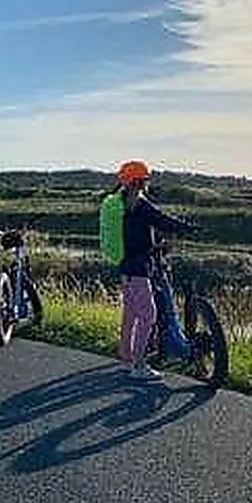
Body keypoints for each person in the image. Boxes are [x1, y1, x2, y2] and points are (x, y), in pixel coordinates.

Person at [109, 160, 199, 382]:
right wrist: (189, 228)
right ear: (140, 181)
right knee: (148, 315)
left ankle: (126, 359)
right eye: (145, 179)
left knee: (130, 315)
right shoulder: (140, 205)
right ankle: (139, 365)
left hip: (126, 268)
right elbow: (163, 220)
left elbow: (140, 232)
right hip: (139, 270)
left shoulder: (120, 203)